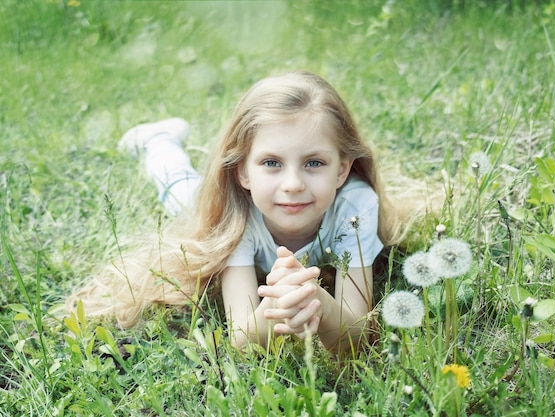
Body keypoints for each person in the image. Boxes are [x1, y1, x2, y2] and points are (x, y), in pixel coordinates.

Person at [66, 71, 411, 354]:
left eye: (314, 163)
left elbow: (355, 337)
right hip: (224, 200)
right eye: (271, 162)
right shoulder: (235, 214)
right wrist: (278, 305)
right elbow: (243, 338)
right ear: (243, 171)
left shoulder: (355, 206)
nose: (293, 184)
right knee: (180, 189)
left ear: (341, 170)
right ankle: (159, 141)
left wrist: (315, 298)